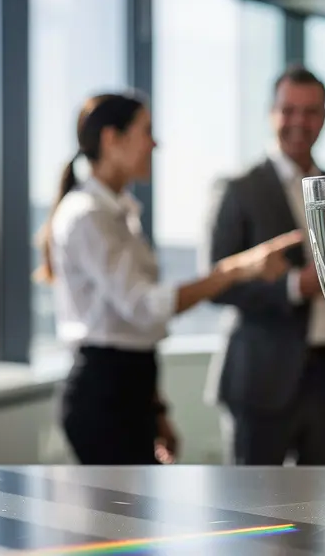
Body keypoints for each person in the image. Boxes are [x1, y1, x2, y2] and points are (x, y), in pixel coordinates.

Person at [35, 92, 302, 466]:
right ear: (112, 139)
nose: (155, 143)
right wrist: (238, 269)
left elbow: (134, 332)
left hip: (130, 388)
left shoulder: (118, 213)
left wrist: (157, 410)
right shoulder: (86, 215)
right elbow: (146, 307)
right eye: (146, 131)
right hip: (104, 396)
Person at [203, 66, 325, 466]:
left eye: (310, 112)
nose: (299, 122)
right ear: (271, 112)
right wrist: (295, 286)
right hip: (261, 377)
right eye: (289, 110)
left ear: (324, 118)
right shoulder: (238, 189)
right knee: (256, 511)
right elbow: (216, 283)